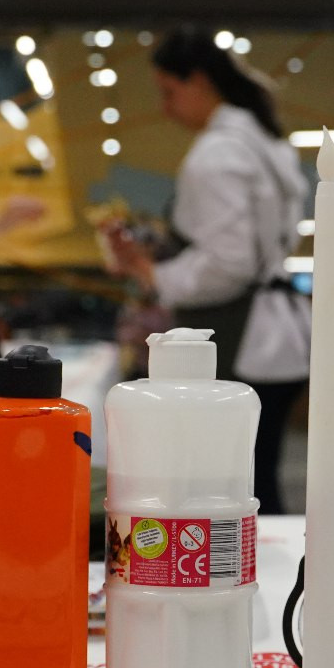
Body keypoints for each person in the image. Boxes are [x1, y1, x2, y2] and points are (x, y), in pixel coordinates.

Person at [101, 29, 309, 512]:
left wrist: (152, 272)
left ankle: (244, 559)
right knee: (255, 477)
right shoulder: (266, 143)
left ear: (198, 81)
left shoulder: (218, 154)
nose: (165, 108)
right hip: (279, 334)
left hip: (242, 336)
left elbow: (229, 263)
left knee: (230, 486)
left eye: (168, 92)